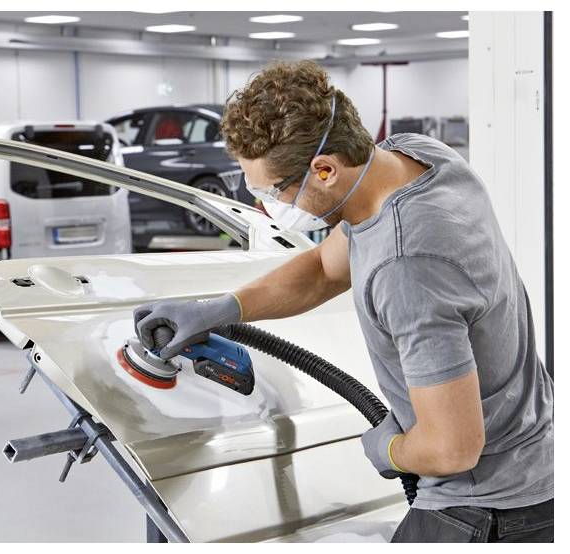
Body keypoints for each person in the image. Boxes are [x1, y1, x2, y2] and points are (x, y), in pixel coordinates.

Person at [133, 60, 553, 543]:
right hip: (534, 469)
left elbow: (452, 447)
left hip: (484, 509)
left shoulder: (408, 266)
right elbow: (323, 268)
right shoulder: (418, 158)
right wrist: (223, 307)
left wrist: (388, 450)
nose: (267, 207)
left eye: (272, 191)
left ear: (325, 170)